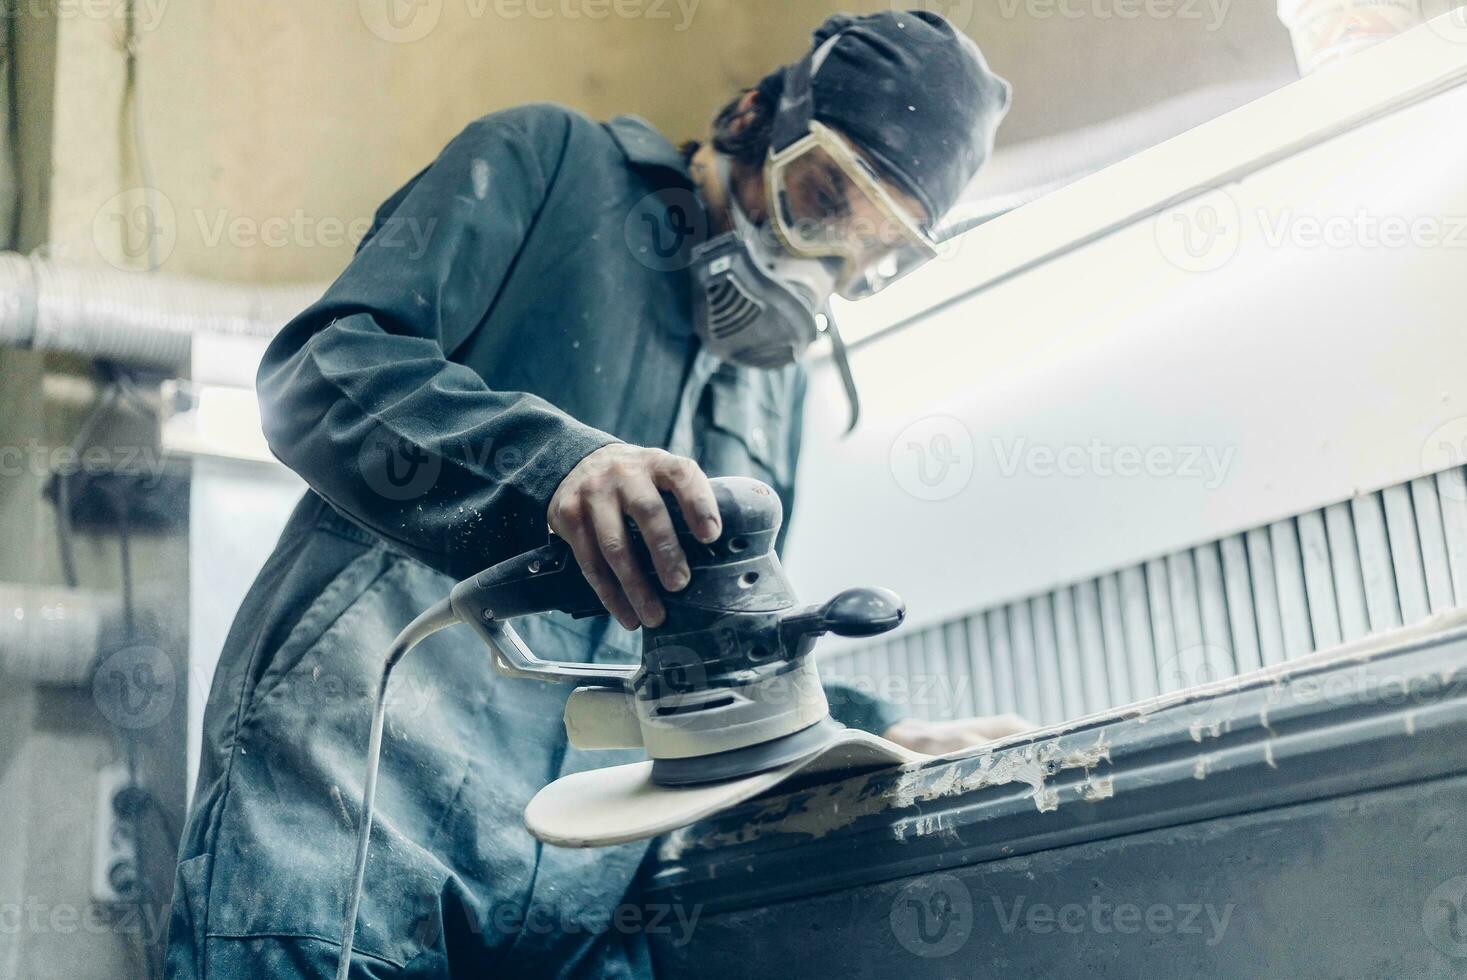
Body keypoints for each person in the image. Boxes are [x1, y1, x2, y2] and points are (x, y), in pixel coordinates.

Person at [166, 11, 1022, 978]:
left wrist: (863, 726)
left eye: (876, 255)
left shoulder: (771, 388)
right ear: (756, 116)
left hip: (584, 878)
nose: (822, 264)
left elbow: (721, 632)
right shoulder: (549, 164)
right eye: (821, 200)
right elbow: (316, 374)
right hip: (353, 809)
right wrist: (553, 468)